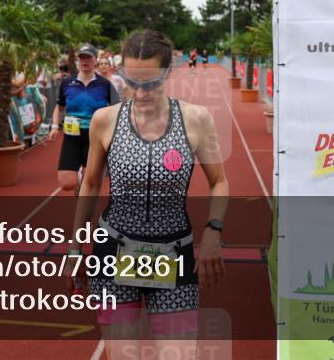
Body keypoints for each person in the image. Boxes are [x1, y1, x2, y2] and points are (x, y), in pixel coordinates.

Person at [69, 30, 228, 357]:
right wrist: (75, 245)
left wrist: (213, 230)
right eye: (131, 82)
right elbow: (91, 184)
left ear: (169, 73)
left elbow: (219, 182)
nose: (139, 93)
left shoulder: (196, 119)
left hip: (173, 252)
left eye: (151, 83)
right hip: (114, 252)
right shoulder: (104, 120)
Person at [52, 43, 119, 193]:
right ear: (77, 60)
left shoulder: (105, 85)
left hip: (94, 136)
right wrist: (55, 127)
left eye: (88, 57)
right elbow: (60, 106)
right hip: (72, 135)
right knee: (67, 184)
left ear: (95, 60)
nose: (85, 61)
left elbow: (116, 110)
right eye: (82, 58)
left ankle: (84, 190)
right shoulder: (67, 83)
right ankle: (81, 181)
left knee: (91, 181)